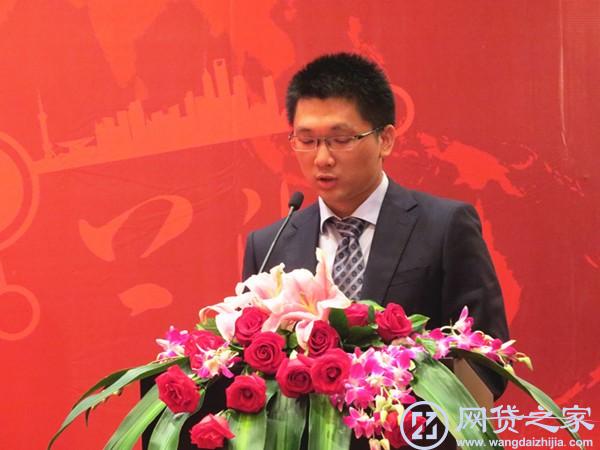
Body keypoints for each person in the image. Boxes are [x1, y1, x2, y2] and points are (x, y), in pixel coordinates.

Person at [242, 52, 509, 449]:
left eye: (341, 139)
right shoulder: (269, 244)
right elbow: (250, 364)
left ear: (385, 139)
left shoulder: (444, 226)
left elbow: (486, 355)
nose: (322, 158)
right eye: (307, 140)